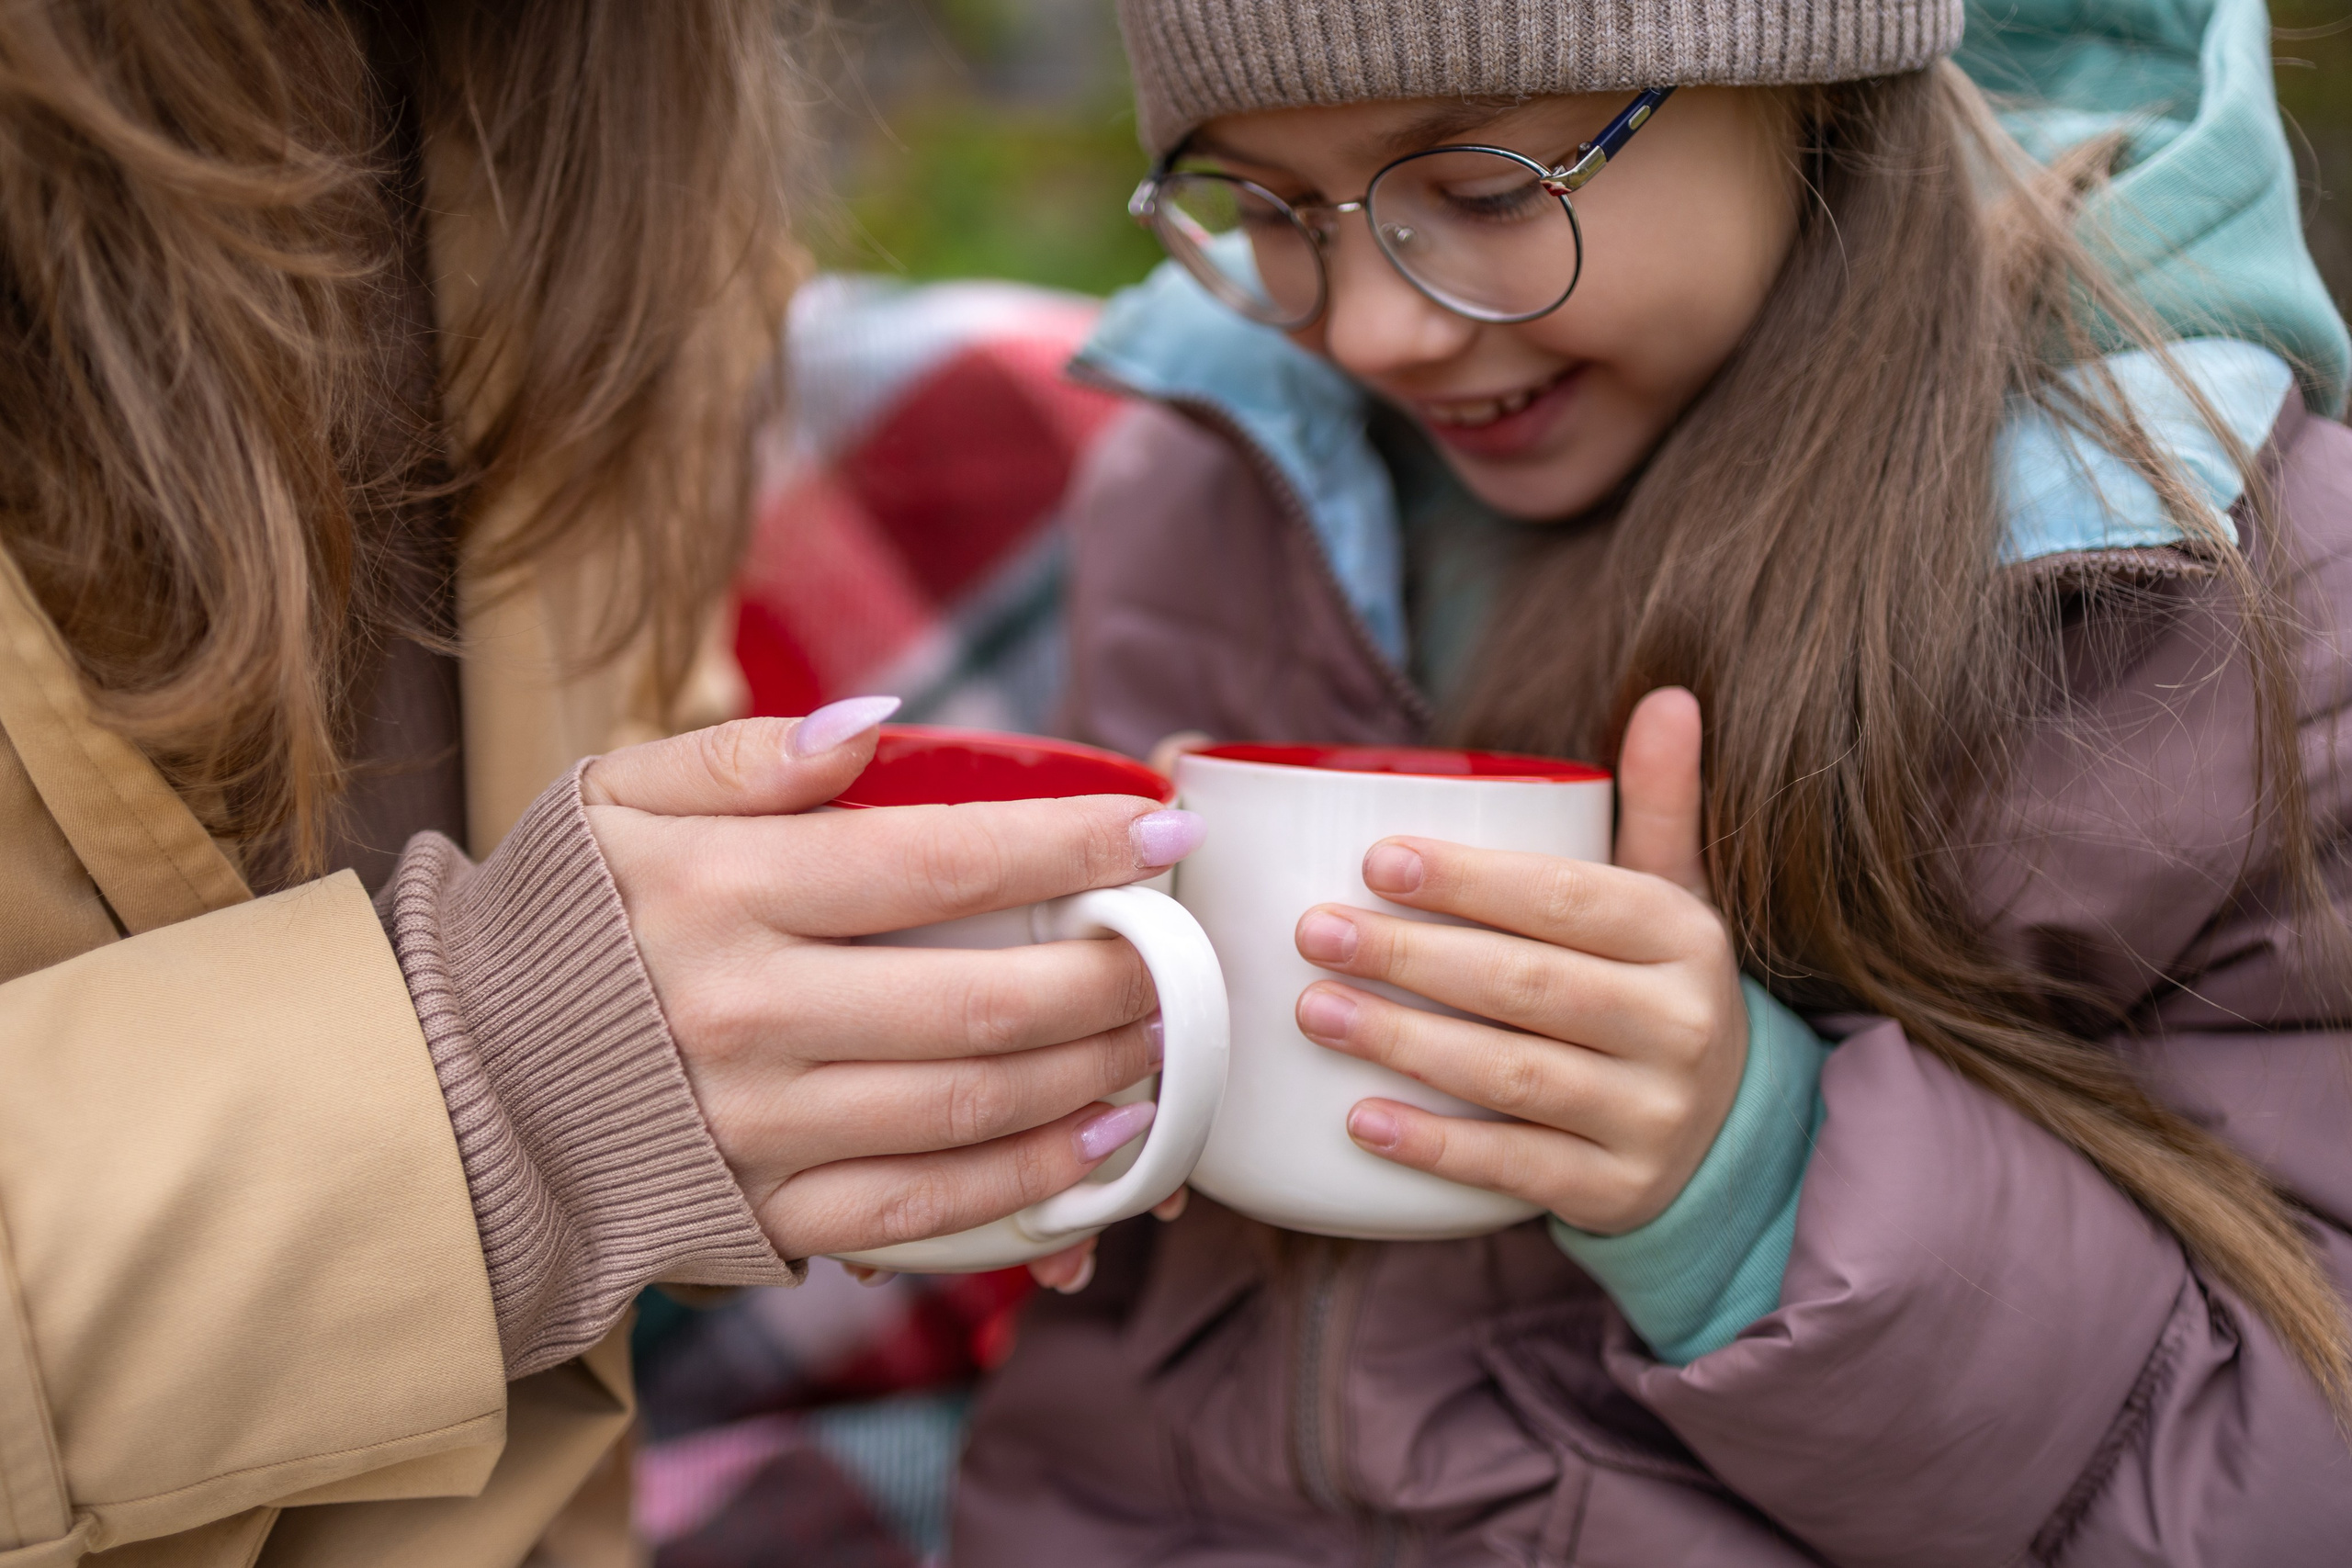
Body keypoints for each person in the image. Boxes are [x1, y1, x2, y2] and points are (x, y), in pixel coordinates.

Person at [956, 0, 2352, 1560]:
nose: (1367, 330)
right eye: (1269, 211)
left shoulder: (2237, 613)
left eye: (1484, 190)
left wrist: (1753, 1191)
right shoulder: (1205, 486)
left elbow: (2285, 1480)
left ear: (1802, 82)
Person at [0, 4, 1198, 1563]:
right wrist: (492, 1097)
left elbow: (636, 907)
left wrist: (830, 1064)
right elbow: (574, 1058)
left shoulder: (597, 124)